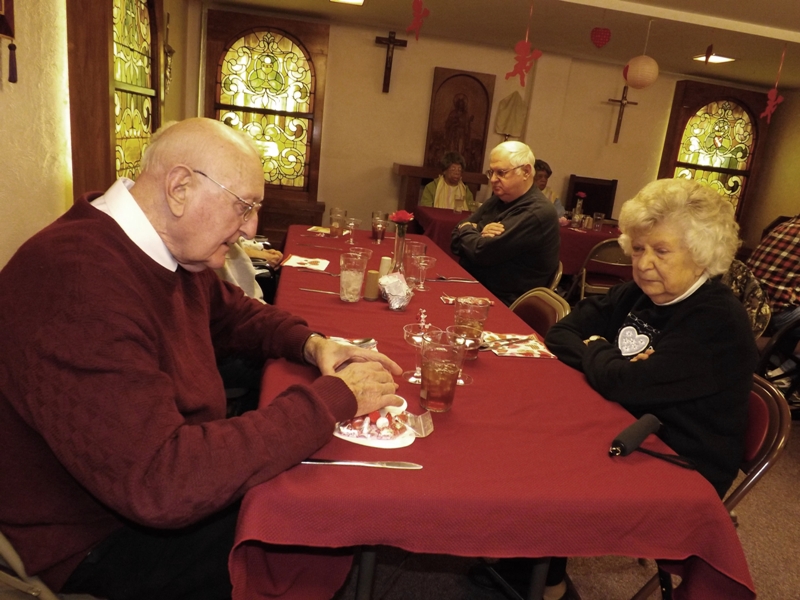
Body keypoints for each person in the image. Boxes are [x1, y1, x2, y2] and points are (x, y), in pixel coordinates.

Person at [0, 118, 403, 600]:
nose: (251, 227)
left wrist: (312, 344)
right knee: (312, 517)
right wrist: (330, 401)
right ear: (180, 188)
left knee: (316, 487)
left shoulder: (165, 249)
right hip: (90, 535)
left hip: (151, 482)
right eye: (244, 206)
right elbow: (160, 483)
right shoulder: (78, 282)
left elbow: (234, 315)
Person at [474, 178, 758, 600]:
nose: (644, 263)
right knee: (524, 428)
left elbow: (626, 384)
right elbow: (562, 334)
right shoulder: (638, 294)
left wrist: (599, 352)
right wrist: (609, 360)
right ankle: (529, 562)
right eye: (639, 249)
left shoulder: (716, 319)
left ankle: (547, 582)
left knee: (548, 459)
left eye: (661, 251)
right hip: (625, 424)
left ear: (701, 253)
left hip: (680, 462)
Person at [450, 141, 560, 306]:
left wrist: (467, 229)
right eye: (491, 172)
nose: (493, 180)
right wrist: (477, 233)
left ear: (526, 172)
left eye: (501, 173)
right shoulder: (500, 198)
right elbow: (454, 241)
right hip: (474, 286)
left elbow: (481, 253)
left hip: (503, 302)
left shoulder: (536, 212)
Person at [746, 214, 800, 395]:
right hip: (777, 309)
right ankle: (784, 378)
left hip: (751, 303)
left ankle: (776, 358)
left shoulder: (785, 225)